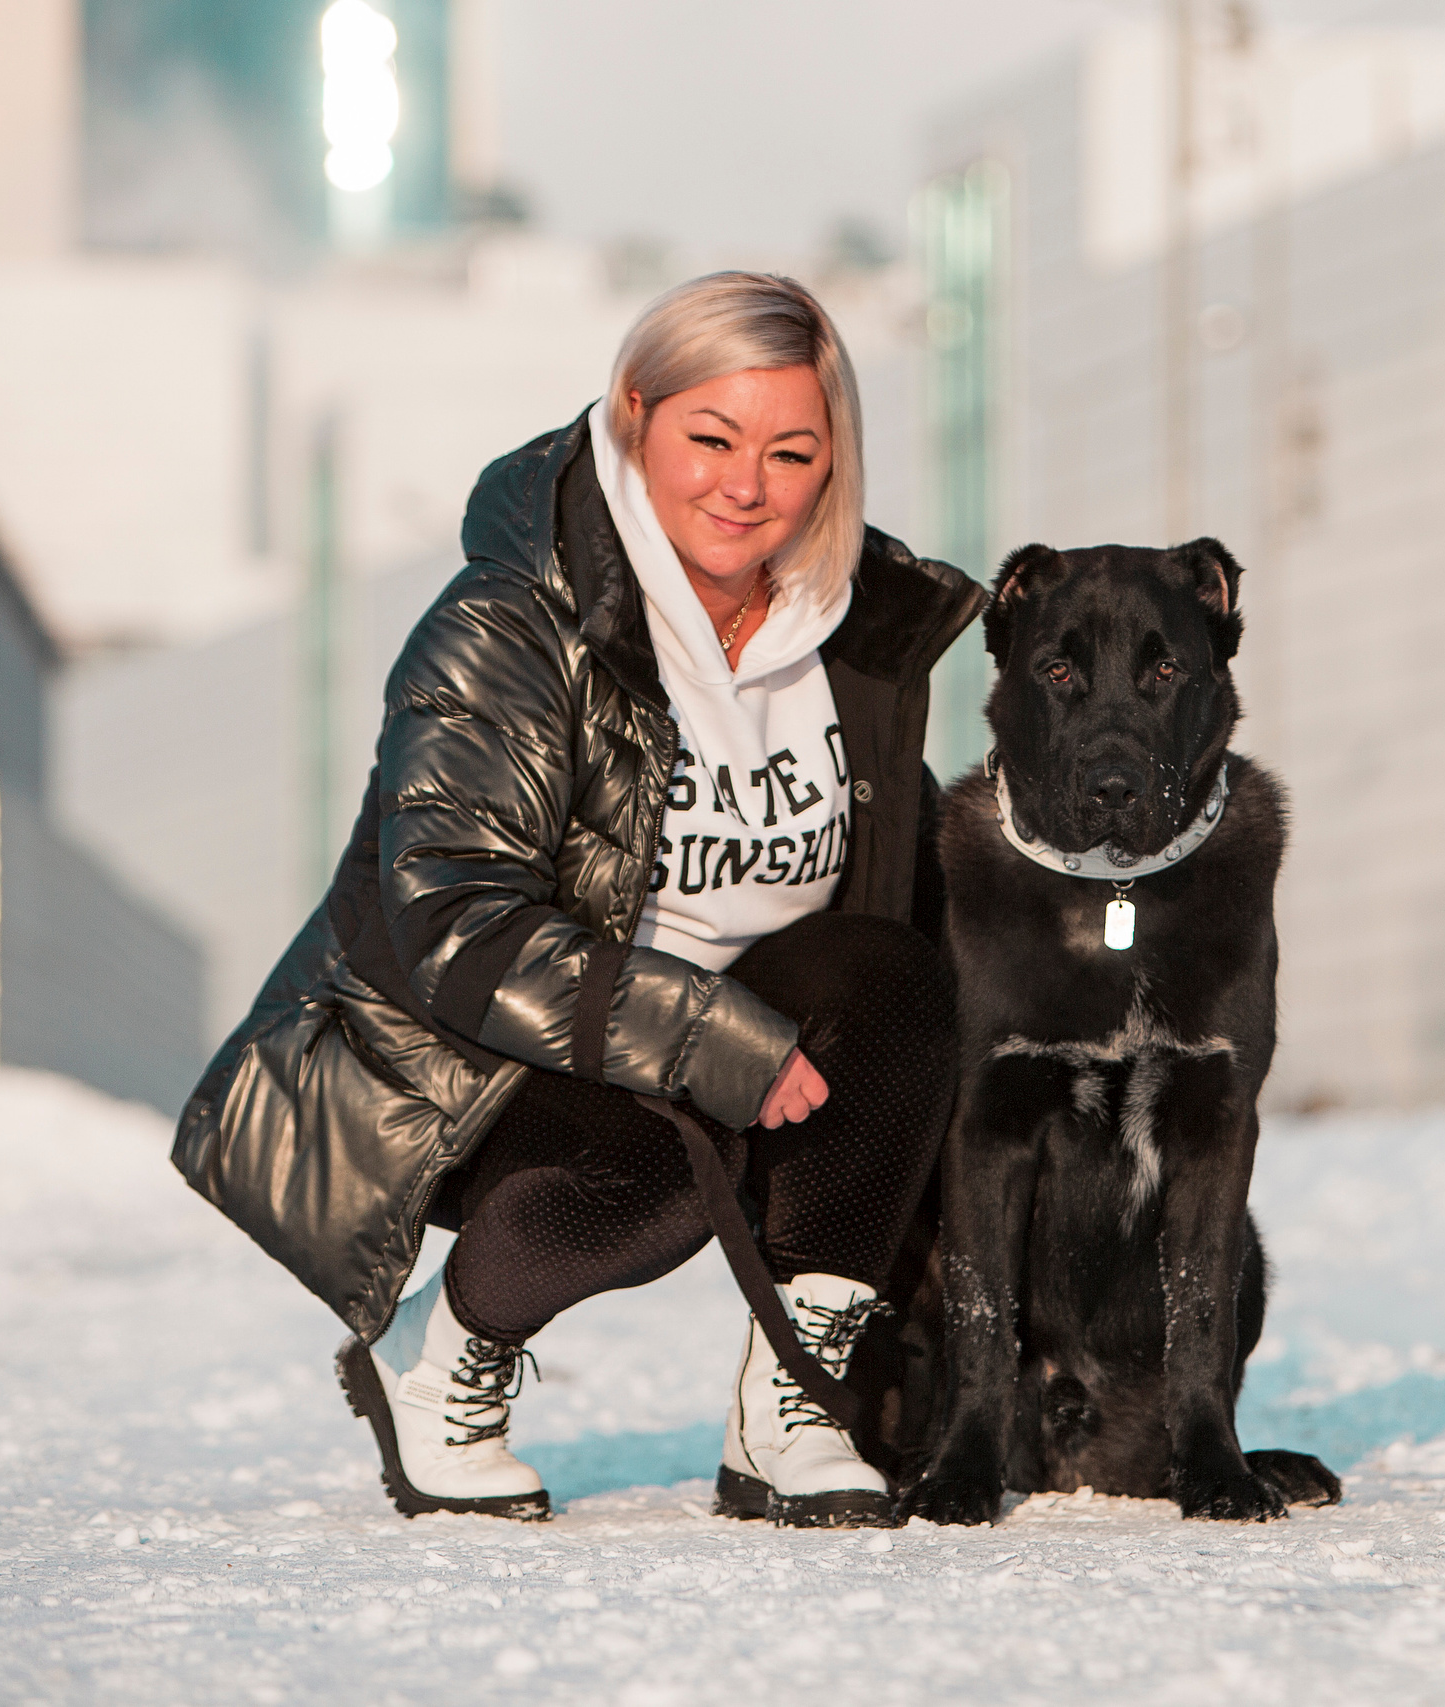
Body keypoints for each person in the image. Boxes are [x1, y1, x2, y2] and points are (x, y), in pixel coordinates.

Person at [173, 272, 984, 1530]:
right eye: (710, 438)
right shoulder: (508, 624)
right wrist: (706, 1040)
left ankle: (795, 1397)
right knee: (661, 1151)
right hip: (486, 1055)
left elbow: (905, 884)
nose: (745, 485)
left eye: (790, 452)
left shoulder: (852, 631)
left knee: (893, 977)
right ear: (632, 413)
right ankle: (439, 1355)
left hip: (745, 1033)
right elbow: (458, 920)